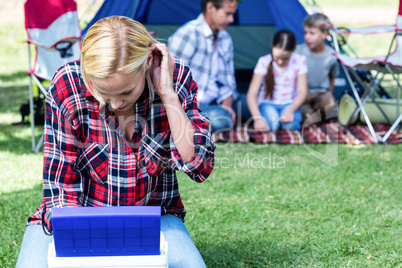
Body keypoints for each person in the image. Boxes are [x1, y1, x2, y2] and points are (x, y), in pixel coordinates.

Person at [16, 16, 215, 268]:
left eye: (125, 92)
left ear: (148, 63)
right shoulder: (67, 84)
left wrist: (167, 94)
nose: (115, 104)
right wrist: (81, 246)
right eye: (102, 92)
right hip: (75, 218)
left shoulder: (174, 79)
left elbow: (199, 166)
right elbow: (61, 185)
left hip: (153, 219)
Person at [168, 0, 250, 133]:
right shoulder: (188, 34)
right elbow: (171, 80)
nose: (231, 19)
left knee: (255, 106)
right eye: (227, 14)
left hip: (219, 97)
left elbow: (228, 80)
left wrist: (227, 103)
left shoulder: (225, 38)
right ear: (210, 7)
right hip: (195, 104)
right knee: (221, 121)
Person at [246, 29, 307, 132]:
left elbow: (302, 91)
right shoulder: (264, 62)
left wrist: (291, 110)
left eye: (285, 58)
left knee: (290, 127)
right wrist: (258, 118)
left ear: (294, 49)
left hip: (290, 103)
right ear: (272, 46)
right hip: (268, 103)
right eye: (277, 57)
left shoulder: (299, 61)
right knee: (273, 125)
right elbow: (251, 94)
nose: (280, 61)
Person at [296, 13, 339, 124]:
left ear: (324, 34)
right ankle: (314, 120)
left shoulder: (332, 56)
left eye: (312, 33)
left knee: (328, 102)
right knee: (309, 120)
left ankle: (328, 117)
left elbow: (332, 78)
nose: (307, 37)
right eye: (305, 33)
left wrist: (329, 94)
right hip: (301, 96)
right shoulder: (298, 52)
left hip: (321, 94)